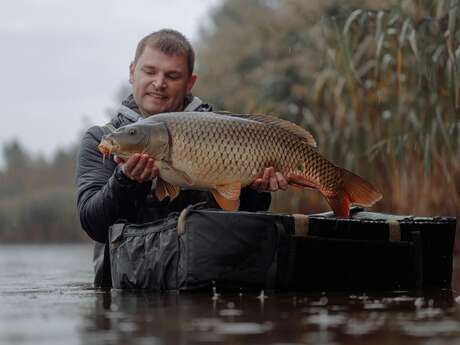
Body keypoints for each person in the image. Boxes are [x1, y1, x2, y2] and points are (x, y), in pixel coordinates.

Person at [76, 29, 288, 288]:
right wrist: (125, 181)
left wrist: (258, 190)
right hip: (129, 292)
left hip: (208, 286)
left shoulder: (223, 130)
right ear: (132, 72)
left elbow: (245, 217)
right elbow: (93, 225)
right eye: (150, 71)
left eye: (172, 75)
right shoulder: (104, 140)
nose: (159, 83)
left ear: (190, 83)